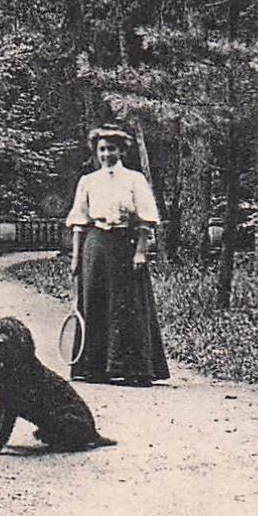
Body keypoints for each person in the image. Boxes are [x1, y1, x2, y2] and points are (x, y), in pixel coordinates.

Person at [65, 124, 170, 386]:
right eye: (101, 149)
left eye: (111, 148)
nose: (106, 154)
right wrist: (76, 257)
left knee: (127, 306)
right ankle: (93, 368)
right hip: (95, 246)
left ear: (121, 150)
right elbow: (79, 221)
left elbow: (146, 218)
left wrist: (141, 252)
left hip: (125, 245)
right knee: (94, 303)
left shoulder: (134, 179)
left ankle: (131, 369)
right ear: (95, 152)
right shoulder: (88, 181)